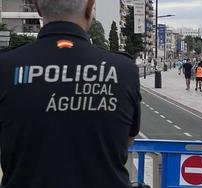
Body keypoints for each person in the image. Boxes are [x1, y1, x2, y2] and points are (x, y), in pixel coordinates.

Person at [0, 0, 141, 187]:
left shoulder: (7, 67)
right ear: (90, 7)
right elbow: (128, 138)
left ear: (37, 7)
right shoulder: (124, 70)